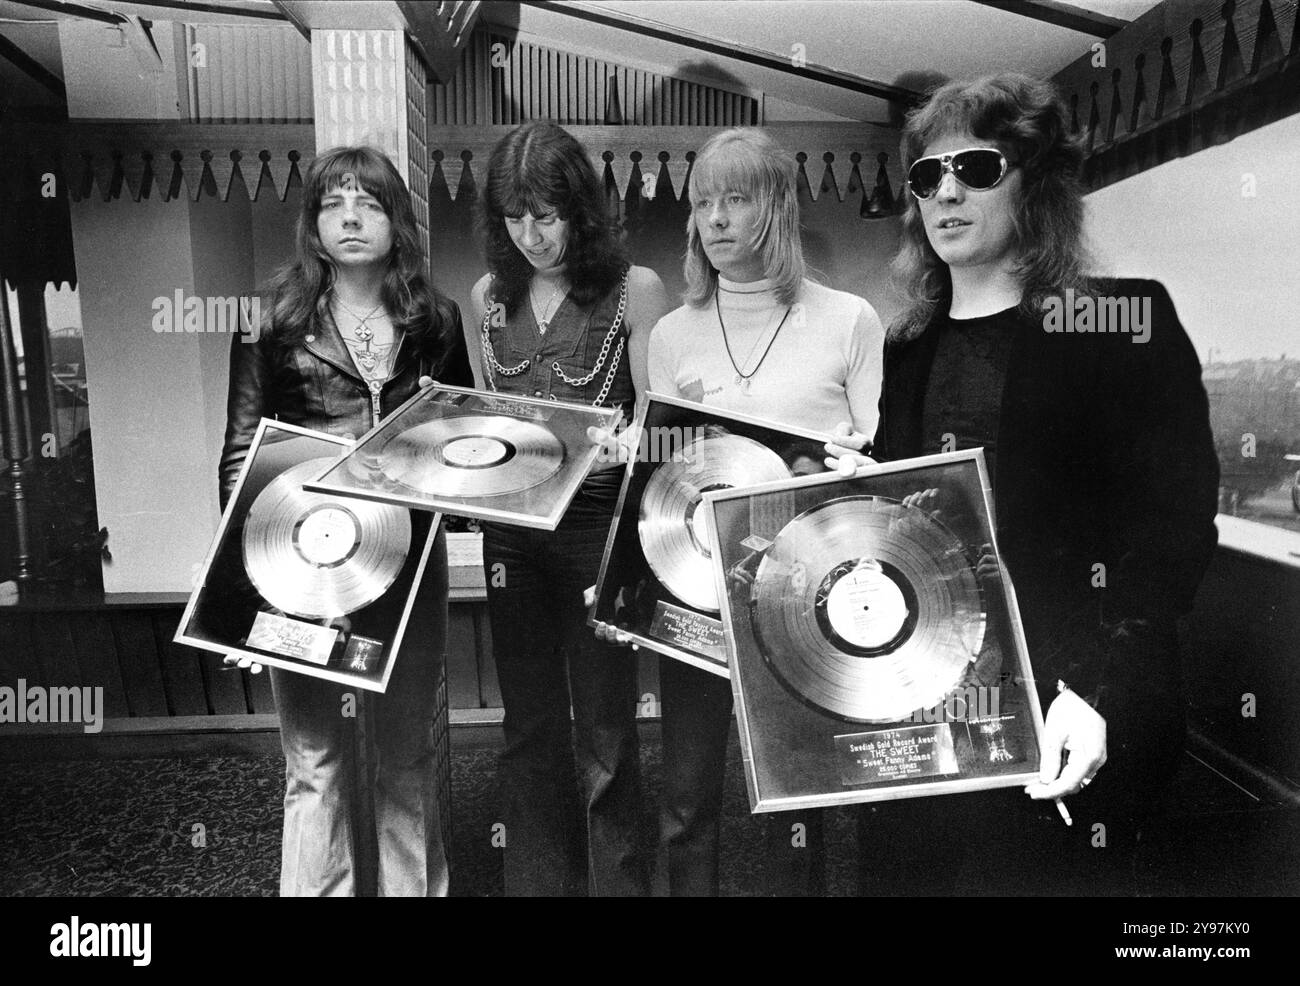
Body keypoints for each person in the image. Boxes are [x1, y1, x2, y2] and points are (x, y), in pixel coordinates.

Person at [832, 73, 1219, 894]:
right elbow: (920, 520)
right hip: (930, 712)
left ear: (1034, 183)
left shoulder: (1122, 319)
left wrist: (1100, 693)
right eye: (926, 176)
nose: (946, 191)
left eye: (975, 167)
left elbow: (1173, 525)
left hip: (1070, 720)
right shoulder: (908, 346)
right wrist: (872, 498)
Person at [220, 145, 472, 896]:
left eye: (369, 202)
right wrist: (249, 589)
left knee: (406, 759)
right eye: (334, 203)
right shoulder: (272, 320)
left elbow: (460, 439)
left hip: (404, 568)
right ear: (314, 223)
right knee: (315, 762)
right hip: (298, 569)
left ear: (397, 221)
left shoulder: (437, 317)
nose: (352, 217)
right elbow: (241, 457)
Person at [641, 127, 884, 895]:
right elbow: (658, 479)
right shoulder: (674, 332)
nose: (714, 220)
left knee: (797, 797)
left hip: (801, 597)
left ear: (776, 209)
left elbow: (878, 467)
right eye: (703, 203)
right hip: (696, 597)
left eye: (735, 199)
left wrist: (860, 466)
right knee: (684, 799)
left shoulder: (851, 319)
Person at [470, 121, 670, 896]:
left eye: (547, 216)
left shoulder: (636, 289)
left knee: (608, 730)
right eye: (515, 218)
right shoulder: (492, 295)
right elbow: (492, 421)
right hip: (514, 533)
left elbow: (656, 418)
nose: (532, 236)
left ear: (580, 211)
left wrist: (633, 442)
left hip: (597, 527)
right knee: (528, 726)